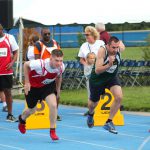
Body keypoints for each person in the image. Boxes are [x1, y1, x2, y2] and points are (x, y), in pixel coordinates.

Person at [18, 49, 64, 141]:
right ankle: (22, 120)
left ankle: (52, 130)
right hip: (33, 87)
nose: (59, 63)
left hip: (47, 86)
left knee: (53, 105)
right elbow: (26, 65)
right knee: (31, 110)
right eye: (56, 60)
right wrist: (27, 82)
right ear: (51, 58)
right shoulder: (40, 64)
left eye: (61, 60)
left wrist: (58, 89)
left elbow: (59, 76)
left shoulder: (61, 67)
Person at [87, 36, 125, 134]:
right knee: (93, 104)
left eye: (117, 47)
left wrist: (119, 45)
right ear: (108, 46)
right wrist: (109, 65)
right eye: (113, 47)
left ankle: (109, 122)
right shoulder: (102, 51)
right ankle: (90, 114)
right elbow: (97, 70)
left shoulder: (119, 48)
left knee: (119, 97)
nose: (115, 50)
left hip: (111, 78)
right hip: (98, 80)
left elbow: (121, 46)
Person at [34, 28, 62, 121]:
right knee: (42, 94)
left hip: (56, 71)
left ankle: (55, 113)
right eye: (45, 34)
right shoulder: (38, 45)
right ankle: (41, 112)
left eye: (49, 34)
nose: (47, 36)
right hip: (44, 73)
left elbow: (60, 55)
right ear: (41, 34)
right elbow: (37, 60)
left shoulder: (55, 43)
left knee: (57, 93)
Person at [78, 26, 105, 116]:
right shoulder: (84, 45)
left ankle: (102, 108)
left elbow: (105, 55)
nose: (86, 36)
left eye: (87, 34)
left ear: (93, 34)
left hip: (99, 68)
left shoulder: (100, 43)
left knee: (102, 88)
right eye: (85, 34)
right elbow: (81, 59)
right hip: (89, 71)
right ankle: (91, 109)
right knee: (90, 90)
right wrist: (86, 65)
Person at [0, 24, 19, 122]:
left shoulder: (9, 38)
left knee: (8, 92)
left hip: (6, 71)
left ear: (1, 30)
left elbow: (16, 52)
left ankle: (10, 114)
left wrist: (12, 63)